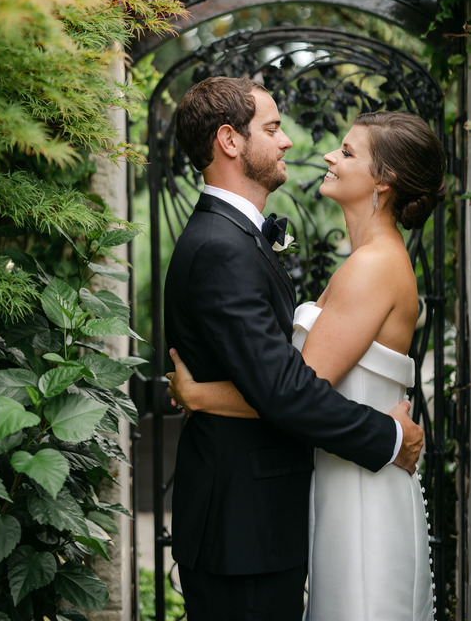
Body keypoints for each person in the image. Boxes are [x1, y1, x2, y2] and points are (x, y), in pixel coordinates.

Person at [167, 104, 447, 621]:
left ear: (382, 180)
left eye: (346, 152)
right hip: (347, 478)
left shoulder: (372, 267)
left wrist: (202, 394)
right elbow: (291, 387)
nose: (326, 155)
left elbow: (293, 390)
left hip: (362, 486)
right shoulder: (366, 260)